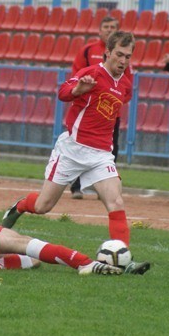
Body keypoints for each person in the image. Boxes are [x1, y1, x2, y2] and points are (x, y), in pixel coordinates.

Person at [0, 31, 150, 274]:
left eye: (128, 56)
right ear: (108, 52)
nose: (123, 61)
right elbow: (62, 93)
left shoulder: (125, 84)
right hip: (72, 150)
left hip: (101, 154)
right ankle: (19, 207)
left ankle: (124, 259)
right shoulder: (91, 73)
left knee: (116, 201)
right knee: (43, 205)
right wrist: (79, 90)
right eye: (119, 55)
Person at [69, 16, 131, 200]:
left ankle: (103, 187)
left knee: (111, 148)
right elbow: (76, 76)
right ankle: (76, 186)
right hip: (87, 111)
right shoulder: (87, 50)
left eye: (113, 27)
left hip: (110, 114)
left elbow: (127, 86)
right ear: (99, 30)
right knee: (78, 147)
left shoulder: (124, 59)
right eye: (106, 27)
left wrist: (114, 100)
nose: (109, 29)